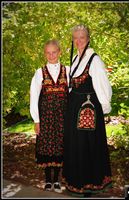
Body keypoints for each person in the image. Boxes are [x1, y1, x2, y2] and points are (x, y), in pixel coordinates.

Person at [62, 25, 112, 197]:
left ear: (88, 38)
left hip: (87, 109)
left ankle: (89, 184)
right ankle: (77, 181)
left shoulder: (94, 59)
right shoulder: (76, 58)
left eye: (81, 37)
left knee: (87, 146)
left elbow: (102, 85)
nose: (78, 41)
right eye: (75, 38)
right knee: (76, 145)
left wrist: (105, 106)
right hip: (75, 108)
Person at [30, 39, 69, 193]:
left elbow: (72, 94)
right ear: (44, 53)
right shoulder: (39, 72)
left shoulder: (68, 70)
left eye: (54, 52)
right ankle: (48, 180)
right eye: (48, 52)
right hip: (45, 117)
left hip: (62, 118)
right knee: (46, 147)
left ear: (59, 52)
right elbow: (34, 97)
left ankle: (57, 180)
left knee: (60, 147)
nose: (51, 55)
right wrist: (36, 120)